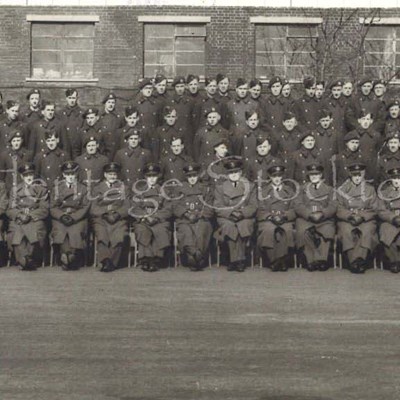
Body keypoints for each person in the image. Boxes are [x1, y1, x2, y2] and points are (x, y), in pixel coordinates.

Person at [213, 158, 257, 272]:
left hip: (245, 217)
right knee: (230, 226)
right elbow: (218, 206)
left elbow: (253, 205)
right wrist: (231, 213)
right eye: (230, 172)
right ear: (227, 174)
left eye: (236, 172)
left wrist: (242, 213)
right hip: (226, 217)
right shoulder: (220, 187)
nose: (233, 175)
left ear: (240, 172)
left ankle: (235, 261)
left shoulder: (250, 186)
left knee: (242, 225)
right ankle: (238, 260)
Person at [336, 163, 379, 273]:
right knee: (346, 231)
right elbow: (338, 208)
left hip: (365, 218)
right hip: (348, 218)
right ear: (350, 175)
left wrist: (363, 216)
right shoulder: (342, 189)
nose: (357, 178)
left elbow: (374, 208)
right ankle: (354, 261)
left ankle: (360, 260)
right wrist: (349, 216)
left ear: (363, 175)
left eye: (359, 175)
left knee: (367, 231)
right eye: (354, 175)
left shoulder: (370, 189)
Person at [6, 163, 49, 270]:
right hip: (19, 218)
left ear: (34, 175)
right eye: (26, 175)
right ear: (21, 176)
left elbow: (44, 209)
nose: (29, 177)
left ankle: (25, 259)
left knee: (36, 230)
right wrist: (19, 215)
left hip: (34, 218)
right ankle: (26, 260)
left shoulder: (42, 189)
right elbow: (10, 209)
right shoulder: (15, 190)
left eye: (30, 174)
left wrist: (30, 215)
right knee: (15, 230)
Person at [294, 163, 337, 271]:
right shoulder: (302, 188)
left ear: (321, 175)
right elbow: (298, 205)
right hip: (307, 218)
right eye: (311, 174)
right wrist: (308, 214)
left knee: (327, 230)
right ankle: (311, 260)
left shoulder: (329, 189)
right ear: (308, 176)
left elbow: (333, 205)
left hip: (323, 218)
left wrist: (323, 214)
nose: (314, 177)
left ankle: (322, 259)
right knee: (303, 231)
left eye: (316, 174)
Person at [130, 163, 171, 272]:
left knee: (160, 229)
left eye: (154, 176)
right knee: (142, 230)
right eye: (149, 176)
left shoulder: (164, 191)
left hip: (158, 219)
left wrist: (156, 217)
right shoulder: (139, 191)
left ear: (158, 177)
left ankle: (155, 259)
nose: (152, 179)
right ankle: (146, 259)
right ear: (145, 177)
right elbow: (134, 207)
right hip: (143, 219)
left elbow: (168, 208)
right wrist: (146, 217)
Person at [49, 161, 90, 270]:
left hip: (77, 217)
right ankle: (68, 256)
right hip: (60, 216)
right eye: (68, 174)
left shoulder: (83, 188)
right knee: (61, 230)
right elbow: (53, 206)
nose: (70, 177)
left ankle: (69, 256)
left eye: (72, 174)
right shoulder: (57, 188)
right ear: (63, 175)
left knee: (75, 231)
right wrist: (61, 216)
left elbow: (85, 206)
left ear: (76, 174)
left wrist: (74, 217)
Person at [90, 162, 129, 272]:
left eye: (114, 174)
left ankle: (111, 262)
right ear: (105, 175)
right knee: (102, 236)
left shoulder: (123, 187)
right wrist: (105, 213)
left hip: (118, 219)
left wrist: (118, 214)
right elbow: (93, 207)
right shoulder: (97, 188)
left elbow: (127, 205)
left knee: (119, 237)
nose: (112, 176)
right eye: (110, 174)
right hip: (101, 218)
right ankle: (105, 260)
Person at [174, 163, 214, 271]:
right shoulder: (179, 188)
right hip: (185, 219)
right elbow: (175, 205)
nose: (192, 179)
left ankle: (194, 258)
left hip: (201, 218)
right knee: (186, 230)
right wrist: (186, 214)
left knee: (202, 230)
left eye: (194, 176)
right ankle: (196, 256)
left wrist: (199, 215)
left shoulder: (206, 189)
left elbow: (210, 207)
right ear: (186, 177)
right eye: (189, 176)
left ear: (198, 175)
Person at [257, 164, 296, 271]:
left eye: (279, 176)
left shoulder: (290, 191)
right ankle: (274, 260)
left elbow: (294, 208)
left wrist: (285, 216)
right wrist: (270, 216)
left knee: (286, 230)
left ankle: (282, 260)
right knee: (268, 230)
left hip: (285, 218)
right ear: (270, 177)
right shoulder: (263, 192)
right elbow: (260, 209)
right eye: (274, 176)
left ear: (283, 176)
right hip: (268, 219)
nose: (277, 179)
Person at [378, 167, 400, 272]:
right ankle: (394, 261)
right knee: (384, 229)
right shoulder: (384, 193)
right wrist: (393, 218)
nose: (396, 180)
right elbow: (381, 210)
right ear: (390, 179)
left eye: (399, 178)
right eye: (394, 178)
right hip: (391, 220)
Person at [98, 93, 125, 160]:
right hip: (102, 149)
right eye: (109, 102)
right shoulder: (99, 117)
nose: (111, 104)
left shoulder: (119, 117)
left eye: (113, 102)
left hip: (115, 149)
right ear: (105, 103)